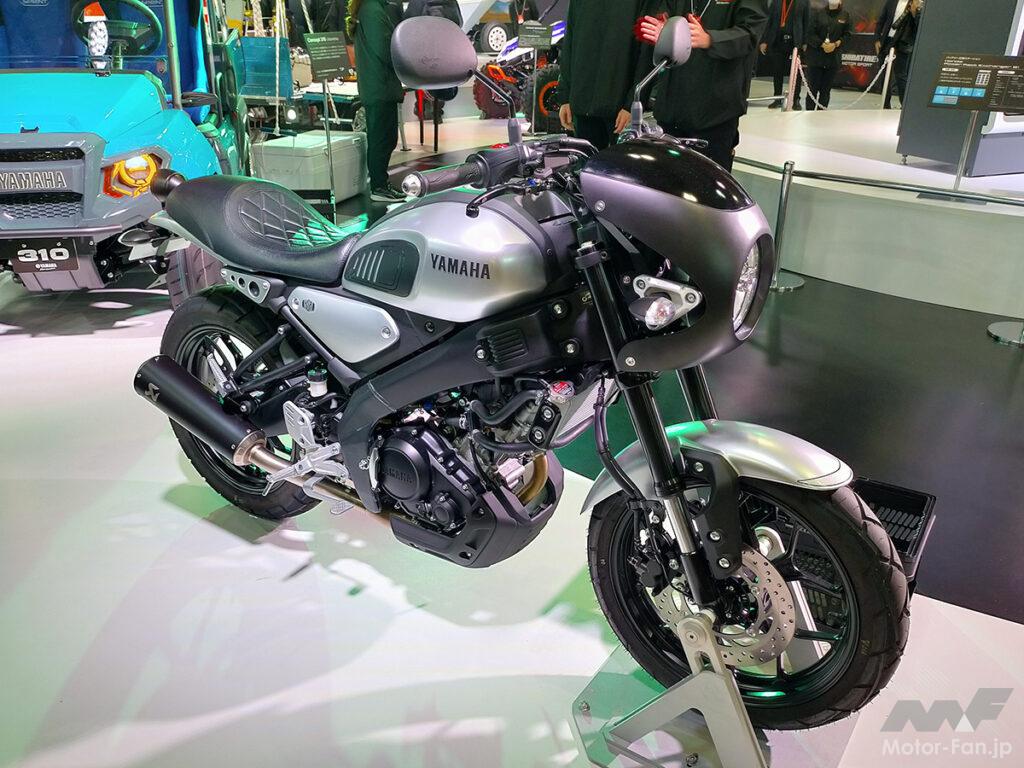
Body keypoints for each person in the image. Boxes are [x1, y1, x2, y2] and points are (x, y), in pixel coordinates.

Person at [638, 1, 769, 172]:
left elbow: (750, 34)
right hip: (671, 107)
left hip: (715, 113)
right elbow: (664, 10)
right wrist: (663, 26)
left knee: (706, 181)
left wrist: (709, 39)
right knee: (665, 178)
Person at [557, 0, 649, 151]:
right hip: (583, 104)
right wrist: (565, 97)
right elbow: (570, 42)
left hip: (619, 107)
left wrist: (632, 103)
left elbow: (646, 52)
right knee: (586, 163)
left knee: (620, 163)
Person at [347, 0, 406, 203]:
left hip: (379, 85)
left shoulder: (371, 8)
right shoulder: (372, 9)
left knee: (385, 137)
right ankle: (379, 186)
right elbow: (384, 48)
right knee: (382, 139)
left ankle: (381, 184)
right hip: (379, 86)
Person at [760, 0, 810, 110]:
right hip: (777, 41)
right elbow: (769, 21)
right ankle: (777, 98)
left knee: (796, 73)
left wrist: (805, 42)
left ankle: (796, 99)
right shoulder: (776, 1)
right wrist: (764, 40)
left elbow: (806, 22)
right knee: (777, 71)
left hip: (795, 42)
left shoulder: (804, 2)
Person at [803, 0, 850, 110]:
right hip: (816, 59)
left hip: (833, 60)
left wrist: (836, 44)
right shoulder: (818, 13)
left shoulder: (845, 15)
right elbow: (810, 34)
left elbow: (848, 35)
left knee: (825, 91)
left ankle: (822, 115)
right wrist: (822, 44)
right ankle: (809, 114)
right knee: (812, 90)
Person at [876, 0, 923, 108]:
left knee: (900, 74)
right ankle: (885, 104)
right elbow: (881, 20)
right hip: (887, 40)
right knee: (884, 73)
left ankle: (905, 106)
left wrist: (914, 12)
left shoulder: (917, 3)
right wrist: (877, 38)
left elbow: (919, 25)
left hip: (903, 42)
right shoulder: (891, 2)